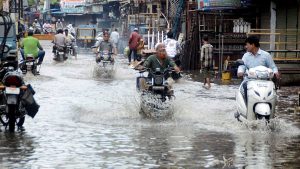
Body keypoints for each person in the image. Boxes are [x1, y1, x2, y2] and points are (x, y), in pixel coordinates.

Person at [237, 36, 279, 101]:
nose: (246, 47)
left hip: (264, 81)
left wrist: (276, 72)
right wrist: (240, 72)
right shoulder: (246, 55)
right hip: (249, 80)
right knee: (243, 90)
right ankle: (246, 105)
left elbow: (273, 67)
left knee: (272, 91)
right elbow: (242, 66)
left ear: (252, 45)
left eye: (247, 45)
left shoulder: (266, 55)